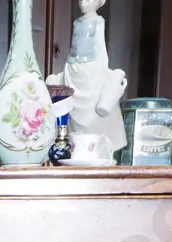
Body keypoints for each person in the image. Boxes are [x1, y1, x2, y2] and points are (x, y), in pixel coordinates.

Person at [47, 0, 127, 154]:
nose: (83, 2)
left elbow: (100, 46)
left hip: (91, 68)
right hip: (73, 67)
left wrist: (103, 69)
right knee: (71, 106)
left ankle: (97, 149)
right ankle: (77, 148)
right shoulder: (77, 22)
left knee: (94, 107)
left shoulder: (98, 21)